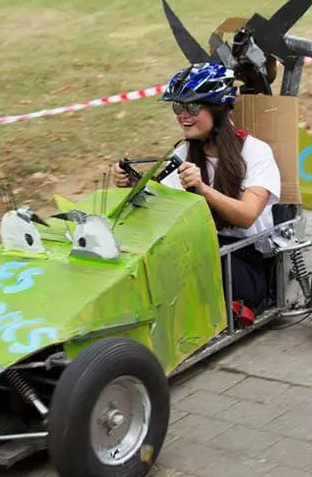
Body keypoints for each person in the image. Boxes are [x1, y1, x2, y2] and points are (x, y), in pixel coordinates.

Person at [112, 62, 281, 321]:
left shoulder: (255, 152)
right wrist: (133, 184)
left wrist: (203, 189)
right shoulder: (183, 153)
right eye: (178, 107)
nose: (183, 115)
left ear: (219, 109)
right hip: (197, 249)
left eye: (192, 107)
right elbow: (162, 208)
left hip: (242, 261)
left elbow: (247, 215)